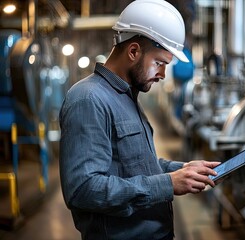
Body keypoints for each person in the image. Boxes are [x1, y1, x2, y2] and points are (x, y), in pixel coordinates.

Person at [58, 0, 220, 239]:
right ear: (133, 51)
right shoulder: (89, 99)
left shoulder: (127, 96)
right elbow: (83, 189)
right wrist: (167, 184)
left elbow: (131, 163)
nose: (163, 74)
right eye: (159, 63)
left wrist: (180, 170)